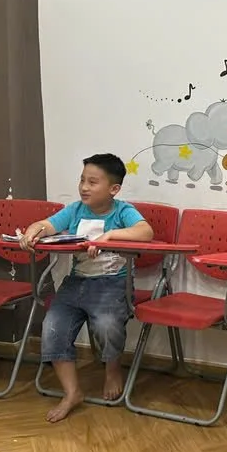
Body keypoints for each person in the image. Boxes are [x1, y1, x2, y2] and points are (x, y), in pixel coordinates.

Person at [20, 153, 153, 421]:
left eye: (93, 182)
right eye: (82, 180)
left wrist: (110, 235)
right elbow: (48, 225)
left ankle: (112, 368)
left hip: (113, 285)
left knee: (106, 325)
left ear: (113, 189)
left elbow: (145, 232)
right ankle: (72, 393)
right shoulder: (75, 209)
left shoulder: (122, 210)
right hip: (76, 282)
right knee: (52, 328)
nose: (84, 187)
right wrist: (34, 230)